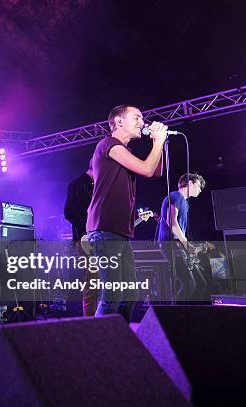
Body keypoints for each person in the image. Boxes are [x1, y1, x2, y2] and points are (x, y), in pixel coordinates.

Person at [86, 105, 167, 321]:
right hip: (105, 228)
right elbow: (147, 169)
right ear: (119, 121)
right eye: (137, 117)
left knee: (129, 294)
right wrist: (157, 142)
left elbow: (156, 170)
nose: (143, 122)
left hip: (120, 231)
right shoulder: (109, 144)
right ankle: (95, 344)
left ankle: (119, 341)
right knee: (113, 293)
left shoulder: (126, 151)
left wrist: (160, 142)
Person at [155, 173, 206, 301]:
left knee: (200, 283)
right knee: (189, 284)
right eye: (199, 186)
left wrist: (190, 247)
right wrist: (187, 245)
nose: (200, 190)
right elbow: (171, 222)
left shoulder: (185, 203)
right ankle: (171, 317)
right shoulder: (176, 196)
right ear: (190, 183)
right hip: (172, 245)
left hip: (179, 245)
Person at [64, 160, 97, 316]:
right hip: (84, 239)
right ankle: (90, 321)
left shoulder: (96, 185)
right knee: (91, 281)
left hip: (97, 238)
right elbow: (69, 212)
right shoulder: (77, 184)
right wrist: (84, 232)